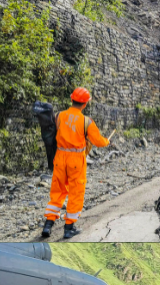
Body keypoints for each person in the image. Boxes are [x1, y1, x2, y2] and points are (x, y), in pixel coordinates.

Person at [41, 87, 110, 240]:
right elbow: (98, 141)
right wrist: (107, 141)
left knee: (57, 191)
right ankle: (68, 228)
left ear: (71, 100)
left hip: (59, 158)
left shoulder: (59, 116)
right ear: (85, 104)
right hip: (76, 161)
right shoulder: (86, 122)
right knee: (75, 193)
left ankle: (48, 224)